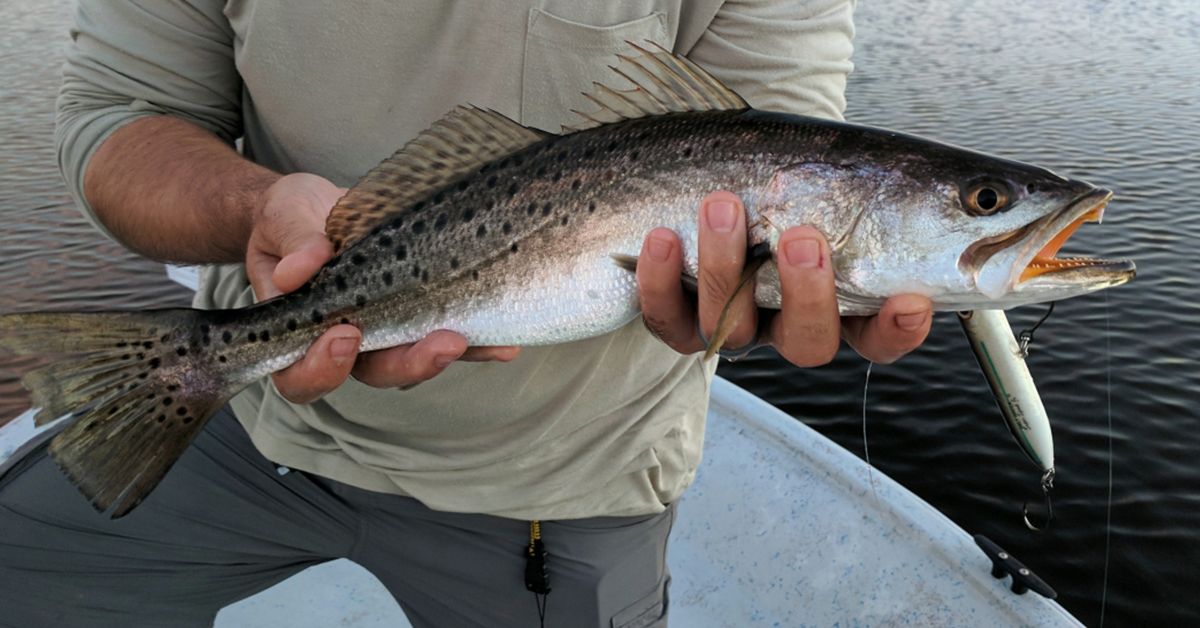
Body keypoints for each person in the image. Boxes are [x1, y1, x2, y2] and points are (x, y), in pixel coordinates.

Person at [0, 0, 932, 626]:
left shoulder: (800, 186)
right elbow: (118, 118)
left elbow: (778, 129)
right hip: (252, 424)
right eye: (979, 203)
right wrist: (257, 206)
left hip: (561, 489)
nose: (984, 216)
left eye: (976, 203)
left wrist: (776, 290)